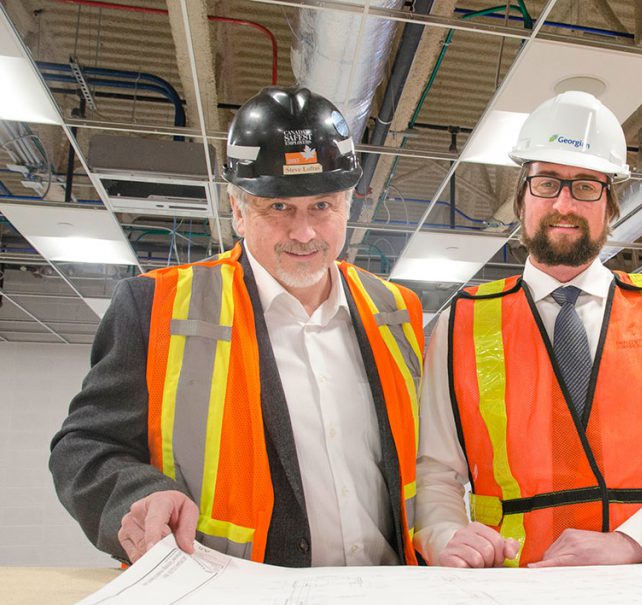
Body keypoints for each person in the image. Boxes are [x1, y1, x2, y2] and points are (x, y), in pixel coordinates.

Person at [50, 86, 424, 567]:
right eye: (279, 207)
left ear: (348, 206)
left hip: (390, 594)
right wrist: (136, 496)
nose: (304, 232)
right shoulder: (156, 307)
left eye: (322, 206)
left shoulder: (396, 311)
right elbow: (85, 446)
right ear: (238, 211)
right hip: (230, 603)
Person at [414, 91, 642, 568]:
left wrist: (634, 542)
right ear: (521, 196)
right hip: (513, 581)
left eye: (586, 186)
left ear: (610, 204)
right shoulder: (461, 321)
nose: (565, 203)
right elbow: (435, 472)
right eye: (547, 183)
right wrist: (446, 535)